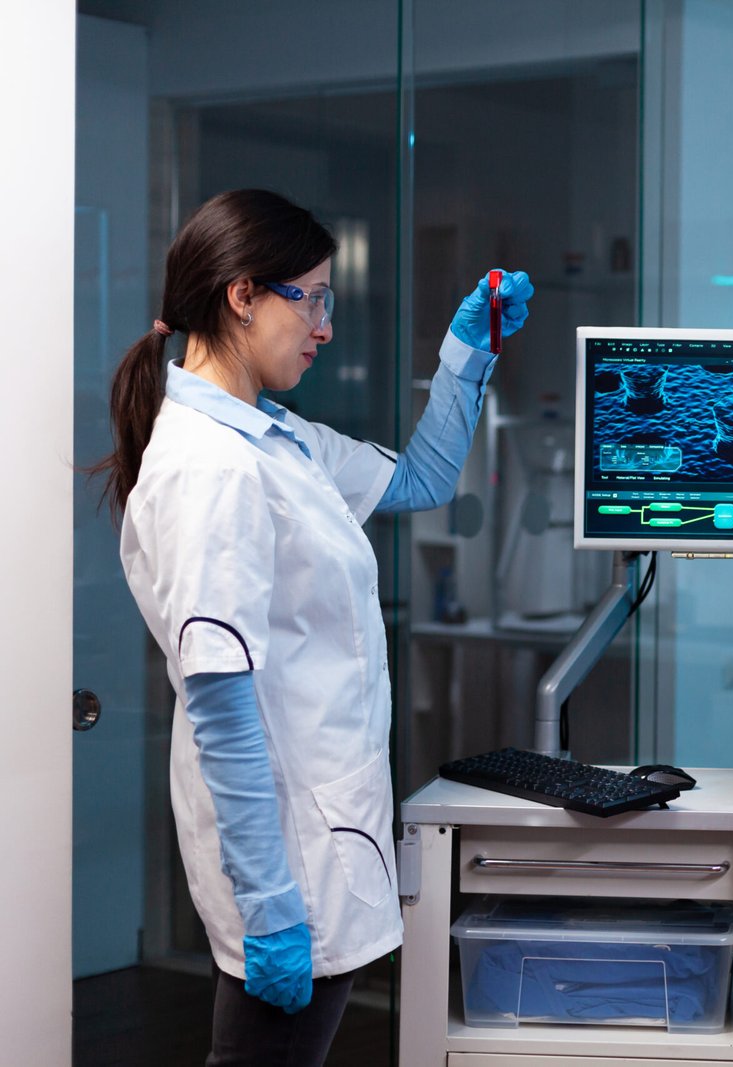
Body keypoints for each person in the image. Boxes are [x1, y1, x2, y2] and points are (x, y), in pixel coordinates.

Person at [92, 189, 534, 1065]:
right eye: (314, 299)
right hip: (290, 861)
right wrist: (268, 902)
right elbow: (221, 702)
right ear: (242, 295)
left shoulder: (272, 436)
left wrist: (465, 354)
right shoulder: (212, 467)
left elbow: (421, 480)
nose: (325, 328)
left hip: (317, 838)